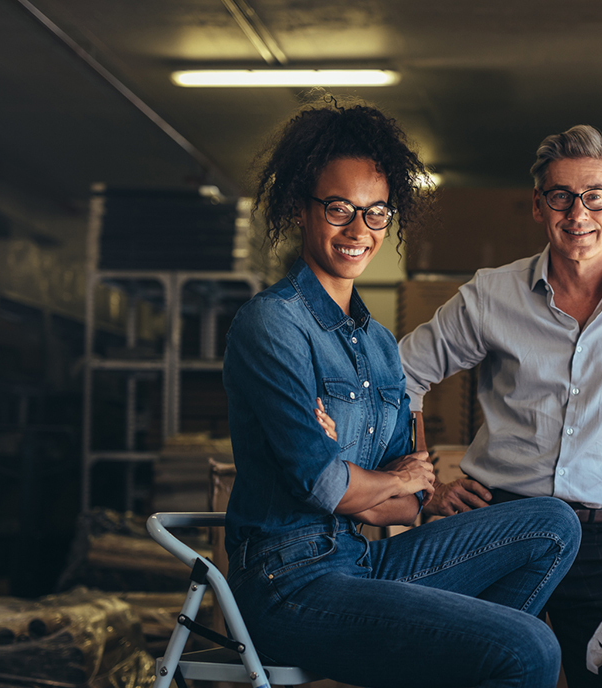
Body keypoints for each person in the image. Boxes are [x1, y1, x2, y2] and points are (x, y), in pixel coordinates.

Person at [222, 97, 581, 688]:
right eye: (339, 208)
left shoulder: (381, 345)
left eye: (376, 213)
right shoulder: (273, 325)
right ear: (300, 207)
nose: (358, 230)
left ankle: (455, 661)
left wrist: (369, 482)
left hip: (361, 561)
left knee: (552, 524)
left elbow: (402, 507)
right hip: (289, 585)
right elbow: (326, 484)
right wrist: (384, 480)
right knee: (529, 649)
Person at [397, 124, 602, 687]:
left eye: (594, 196)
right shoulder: (491, 294)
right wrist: (425, 485)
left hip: (596, 541)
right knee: (480, 676)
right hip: (494, 528)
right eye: (561, 196)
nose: (578, 213)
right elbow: (401, 375)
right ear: (539, 205)